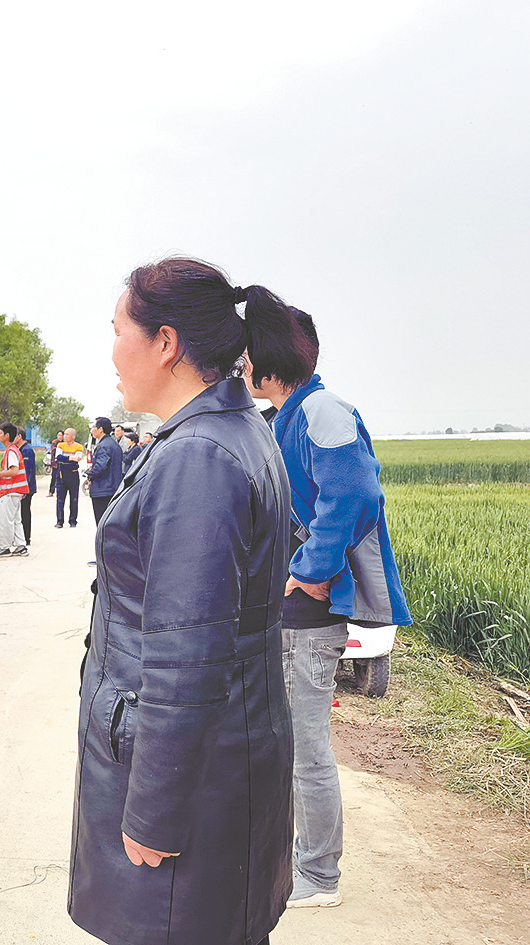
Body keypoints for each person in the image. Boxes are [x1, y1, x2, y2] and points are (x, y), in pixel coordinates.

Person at [69, 257, 294, 945]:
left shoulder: (198, 456)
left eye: (117, 331)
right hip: (223, 759)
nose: (112, 352)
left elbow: (185, 658)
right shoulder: (227, 431)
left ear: (165, 342)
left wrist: (155, 812)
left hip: (189, 786)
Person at [244, 306, 412, 909]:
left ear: (270, 358)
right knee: (286, 744)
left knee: (306, 748)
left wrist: (312, 570)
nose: (241, 367)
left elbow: (356, 493)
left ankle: (318, 876)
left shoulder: (322, 411)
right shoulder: (287, 417)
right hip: (288, 615)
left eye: (246, 356)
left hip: (311, 619)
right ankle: (295, 861)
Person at [0, 422, 29, 557]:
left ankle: (4, 547)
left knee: (6, 521)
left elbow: (14, 470)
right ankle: (21, 546)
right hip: (16, 491)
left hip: (10, 491)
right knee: (15, 520)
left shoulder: (10, 451)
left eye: (0, 433)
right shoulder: (14, 450)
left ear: (7, 435)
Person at [85, 416, 123, 525]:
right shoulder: (113, 443)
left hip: (103, 490)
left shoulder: (104, 446)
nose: (92, 430)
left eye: (94, 427)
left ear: (100, 429)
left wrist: (89, 474)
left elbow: (101, 466)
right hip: (113, 488)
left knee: (102, 523)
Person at [53, 428, 84, 527]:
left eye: (67, 434)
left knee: (74, 499)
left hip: (73, 474)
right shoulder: (60, 445)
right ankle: (59, 521)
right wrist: (71, 457)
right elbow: (58, 457)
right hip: (61, 474)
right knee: (60, 499)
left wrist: (67, 459)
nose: (65, 436)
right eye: (64, 434)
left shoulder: (79, 447)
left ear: (73, 436)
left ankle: (73, 520)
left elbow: (77, 459)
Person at [14, 428, 38, 546]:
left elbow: (27, 471)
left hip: (26, 488)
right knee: (21, 512)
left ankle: (26, 538)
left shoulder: (27, 450)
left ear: (19, 436)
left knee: (24, 512)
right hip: (22, 487)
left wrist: (24, 488)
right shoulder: (20, 449)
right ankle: (21, 536)